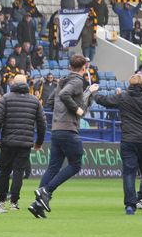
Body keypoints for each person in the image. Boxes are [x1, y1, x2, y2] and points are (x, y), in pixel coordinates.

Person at [30, 54, 98, 218]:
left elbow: (51, 101)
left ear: (70, 66)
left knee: (53, 167)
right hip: (68, 129)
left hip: (57, 129)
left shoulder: (62, 81)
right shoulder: (76, 82)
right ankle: (46, 191)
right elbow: (65, 96)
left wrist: (64, 111)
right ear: (84, 68)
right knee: (76, 165)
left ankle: (38, 204)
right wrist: (78, 107)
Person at [93, 74, 142, 214]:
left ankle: (130, 205)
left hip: (128, 140)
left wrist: (94, 92)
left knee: (129, 173)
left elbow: (104, 100)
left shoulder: (123, 97)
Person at [0, 74, 46, 212]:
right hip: (25, 143)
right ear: (26, 84)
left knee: (4, 172)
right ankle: (14, 202)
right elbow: (42, 124)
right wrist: (39, 142)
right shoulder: (35, 101)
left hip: (8, 142)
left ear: (13, 83)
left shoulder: (5, 99)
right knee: (19, 172)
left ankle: (1, 201)